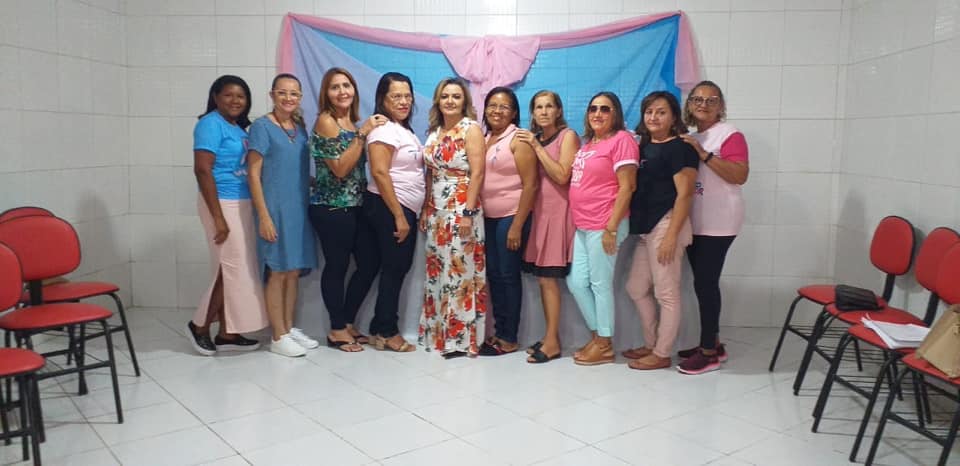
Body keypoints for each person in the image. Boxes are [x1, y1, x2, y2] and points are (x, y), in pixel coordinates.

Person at [308, 67, 387, 353]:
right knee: (337, 266)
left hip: (355, 206)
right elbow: (340, 169)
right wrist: (364, 132)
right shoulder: (326, 121)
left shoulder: (350, 123)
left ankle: (348, 321)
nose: (342, 91)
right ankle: (336, 329)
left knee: (369, 263)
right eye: (335, 87)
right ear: (326, 93)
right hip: (331, 208)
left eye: (347, 85)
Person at [187, 75, 268, 356]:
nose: (235, 101)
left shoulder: (238, 128)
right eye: (229, 95)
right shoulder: (210, 124)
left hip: (241, 201)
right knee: (228, 268)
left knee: (237, 269)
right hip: (221, 202)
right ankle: (200, 326)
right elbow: (202, 170)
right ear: (215, 97)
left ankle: (227, 332)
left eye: (241, 96)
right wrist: (218, 218)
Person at [676, 81, 749, 375]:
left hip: (720, 221)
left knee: (706, 284)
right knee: (702, 283)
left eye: (711, 100)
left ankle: (708, 353)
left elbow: (740, 175)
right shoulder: (693, 136)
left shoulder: (729, 134)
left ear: (721, 106)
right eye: (697, 99)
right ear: (689, 104)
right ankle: (713, 343)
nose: (703, 104)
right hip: (697, 220)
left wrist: (704, 154)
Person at [623, 91, 699, 371]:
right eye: (649, 111)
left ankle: (662, 352)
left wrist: (670, 236)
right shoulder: (642, 146)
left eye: (661, 112)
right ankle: (651, 343)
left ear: (674, 117)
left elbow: (685, 194)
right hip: (646, 230)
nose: (654, 117)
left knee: (666, 293)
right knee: (635, 288)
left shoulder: (681, 148)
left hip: (667, 224)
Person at [247, 73, 319, 358]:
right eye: (282, 93)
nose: (288, 98)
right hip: (274, 209)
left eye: (294, 94)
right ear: (272, 95)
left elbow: (294, 169)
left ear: (300, 97)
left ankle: (288, 329)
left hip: (298, 208)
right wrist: (263, 216)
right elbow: (254, 174)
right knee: (277, 270)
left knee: (293, 271)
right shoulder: (261, 127)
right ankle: (277, 336)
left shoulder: (298, 128)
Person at [567, 92, 639, 366]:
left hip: (605, 225)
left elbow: (628, 187)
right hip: (583, 225)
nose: (598, 114)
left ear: (615, 113)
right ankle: (599, 336)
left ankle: (605, 343)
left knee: (600, 284)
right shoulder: (588, 144)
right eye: (593, 108)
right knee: (576, 283)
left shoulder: (622, 140)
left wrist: (611, 228)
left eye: (605, 109)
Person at [418, 77, 486, 359]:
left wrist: (468, 213)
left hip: (461, 207)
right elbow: (430, 172)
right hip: (437, 210)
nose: (450, 101)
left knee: (460, 272)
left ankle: (460, 339)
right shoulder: (434, 132)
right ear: (438, 100)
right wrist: (426, 207)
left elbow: (478, 173)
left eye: (456, 96)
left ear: (464, 101)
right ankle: (439, 334)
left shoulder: (471, 129)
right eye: (445, 96)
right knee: (438, 271)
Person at [361, 72, 425, 353]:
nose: (403, 101)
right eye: (396, 96)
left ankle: (378, 327)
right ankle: (387, 330)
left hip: (402, 207)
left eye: (407, 96)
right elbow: (379, 172)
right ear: (383, 99)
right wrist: (399, 216)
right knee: (395, 269)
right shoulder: (384, 130)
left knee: (394, 268)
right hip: (391, 207)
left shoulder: (402, 129)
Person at [516, 90, 580, 363]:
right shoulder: (536, 139)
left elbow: (562, 175)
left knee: (549, 279)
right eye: (538, 107)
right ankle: (549, 336)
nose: (543, 112)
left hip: (559, 214)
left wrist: (536, 146)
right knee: (543, 279)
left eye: (549, 106)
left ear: (558, 110)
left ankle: (553, 341)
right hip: (540, 215)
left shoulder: (568, 136)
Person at [478, 87, 538, 356]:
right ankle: (499, 331)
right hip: (487, 218)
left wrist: (516, 226)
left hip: (510, 216)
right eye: (492, 105)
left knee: (507, 275)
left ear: (514, 112)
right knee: (493, 275)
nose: (497, 111)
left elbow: (531, 185)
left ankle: (509, 337)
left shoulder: (518, 139)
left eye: (504, 106)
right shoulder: (485, 138)